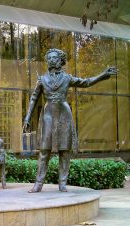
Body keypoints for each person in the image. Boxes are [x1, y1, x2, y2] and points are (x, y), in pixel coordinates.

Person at [23, 48, 117, 193]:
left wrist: (103, 75)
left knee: (64, 150)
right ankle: (38, 183)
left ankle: (62, 183)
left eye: (54, 58)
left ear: (61, 61)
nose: (51, 60)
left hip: (64, 115)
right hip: (48, 115)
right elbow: (33, 98)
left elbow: (86, 82)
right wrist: (27, 117)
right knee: (44, 150)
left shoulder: (67, 78)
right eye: (49, 58)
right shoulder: (42, 79)